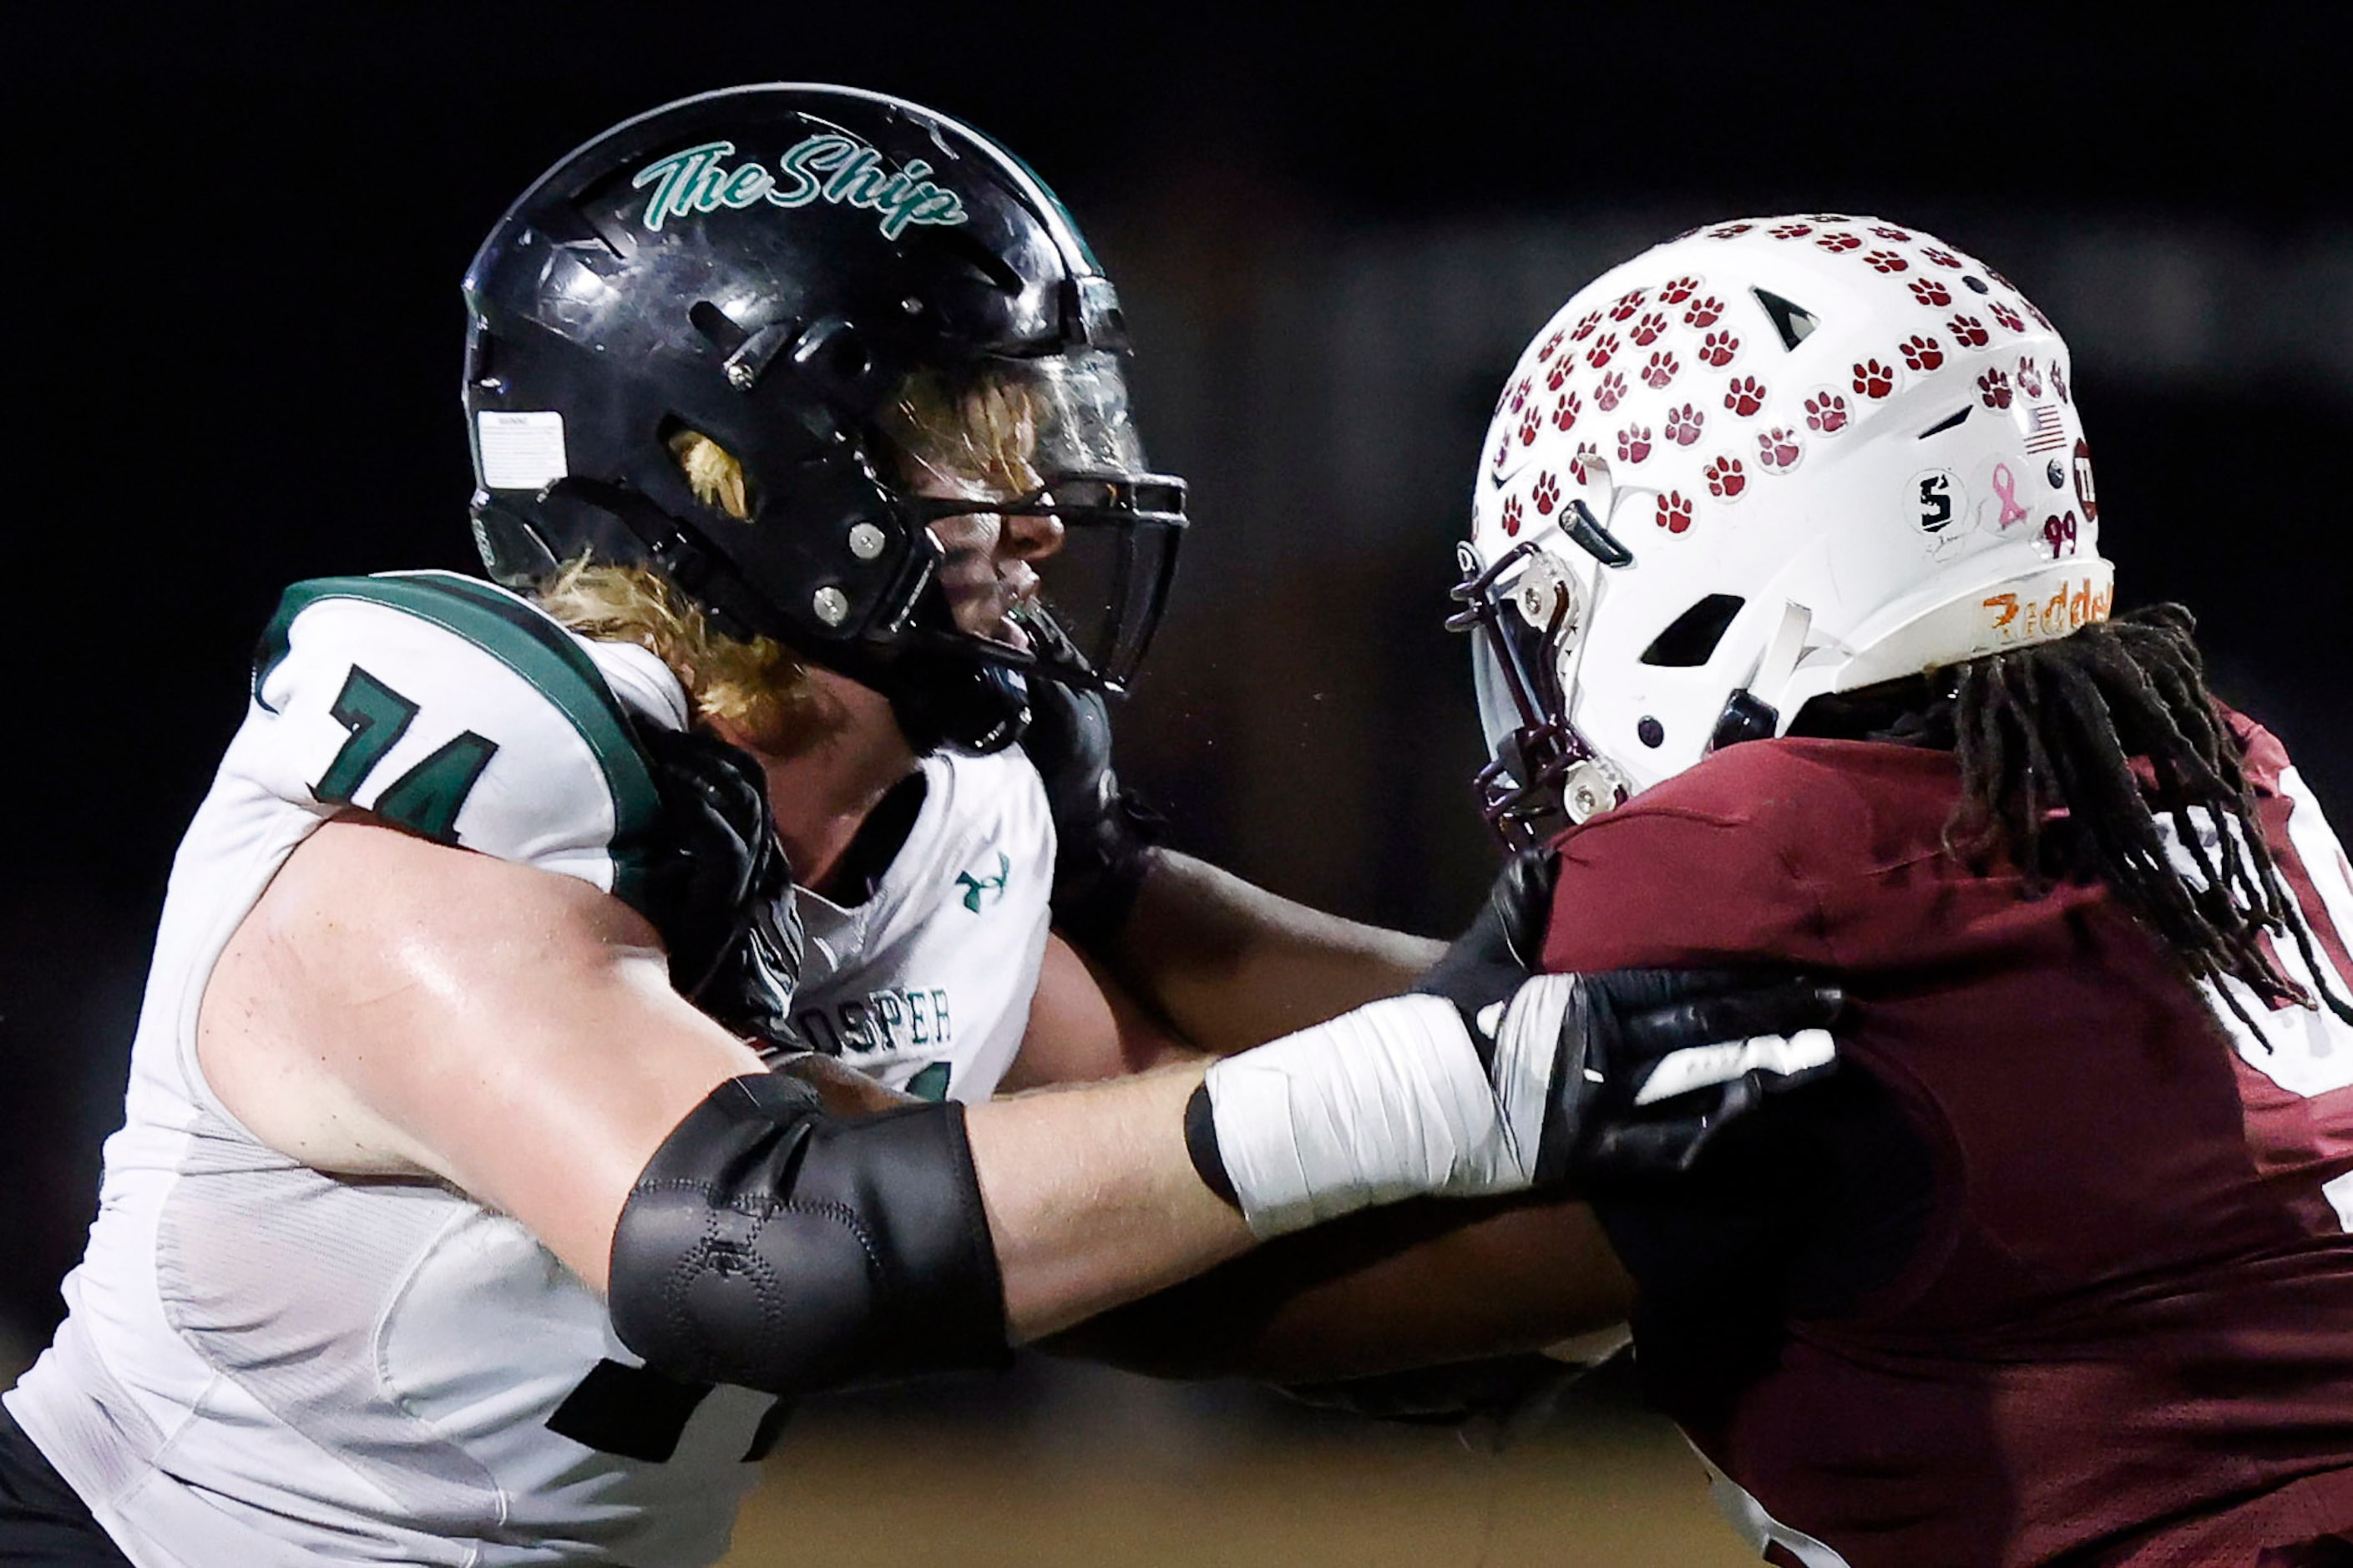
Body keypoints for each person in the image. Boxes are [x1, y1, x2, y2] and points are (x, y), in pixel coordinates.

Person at [0, 90, 1842, 1567]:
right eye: (970, 436)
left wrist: (1782, 1108)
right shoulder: (425, 844)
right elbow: (762, 1248)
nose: (1044, 509)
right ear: (727, 468)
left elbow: (1203, 1240)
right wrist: (1451, 1078)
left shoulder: (935, 820)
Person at [1065, 216, 2353, 1565]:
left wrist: (901, 1236)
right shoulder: (2207, 772)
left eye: (1553, 607)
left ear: (1700, 571)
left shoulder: (1774, 852)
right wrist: (1114, 878)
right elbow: (1505, 1052)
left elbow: (1348, 1262)